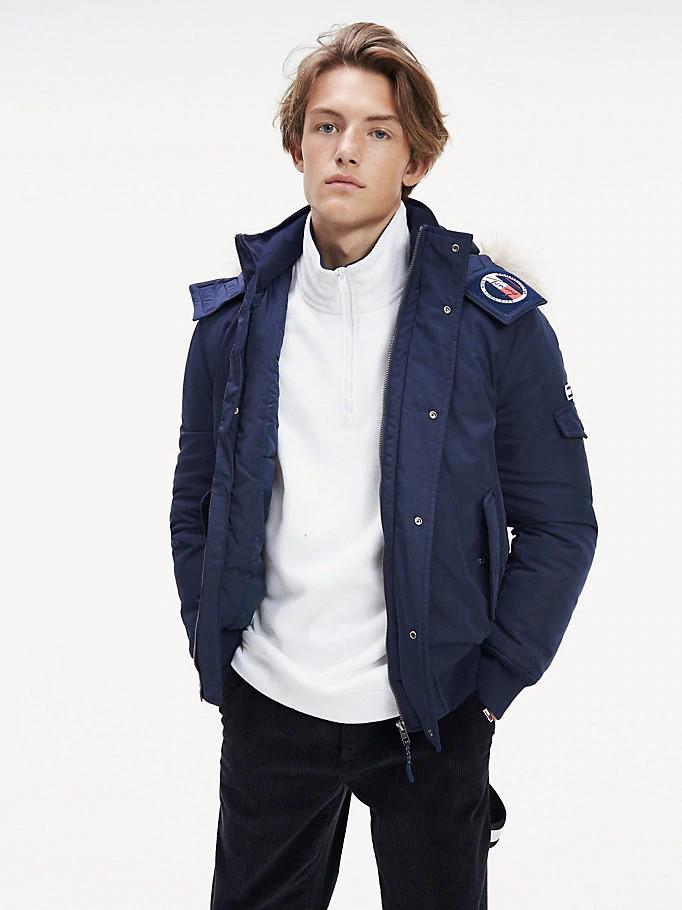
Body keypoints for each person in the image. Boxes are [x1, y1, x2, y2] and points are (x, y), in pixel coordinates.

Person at [169, 21, 597, 909]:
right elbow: (195, 500)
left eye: (378, 131)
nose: (346, 150)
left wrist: (489, 691)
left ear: (416, 160)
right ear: (296, 146)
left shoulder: (495, 328)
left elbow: (559, 524)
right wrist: (217, 639)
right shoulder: (232, 327)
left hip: (432, 715)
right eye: (326, 126)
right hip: (270, 705)